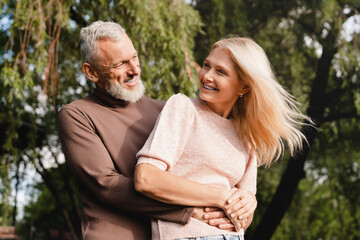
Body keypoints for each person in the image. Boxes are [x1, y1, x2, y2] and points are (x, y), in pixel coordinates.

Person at [58, 21, 257, 240]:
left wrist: (246, 202)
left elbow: (204, 169)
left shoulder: (164, 109)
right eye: (120, 64)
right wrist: (190, 211)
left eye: (134, 58)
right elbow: (106, 185)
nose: (134, 70)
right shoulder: (77, 114)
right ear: (91, 72)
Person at [134, 37, 311, 240]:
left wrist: (249, 202)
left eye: (221, 72)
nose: (207, 76)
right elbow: (146, 178)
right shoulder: (183, 107)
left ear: (243, 87)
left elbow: (245, 217)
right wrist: (221, 197)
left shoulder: (246, 134)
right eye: (207, 65)